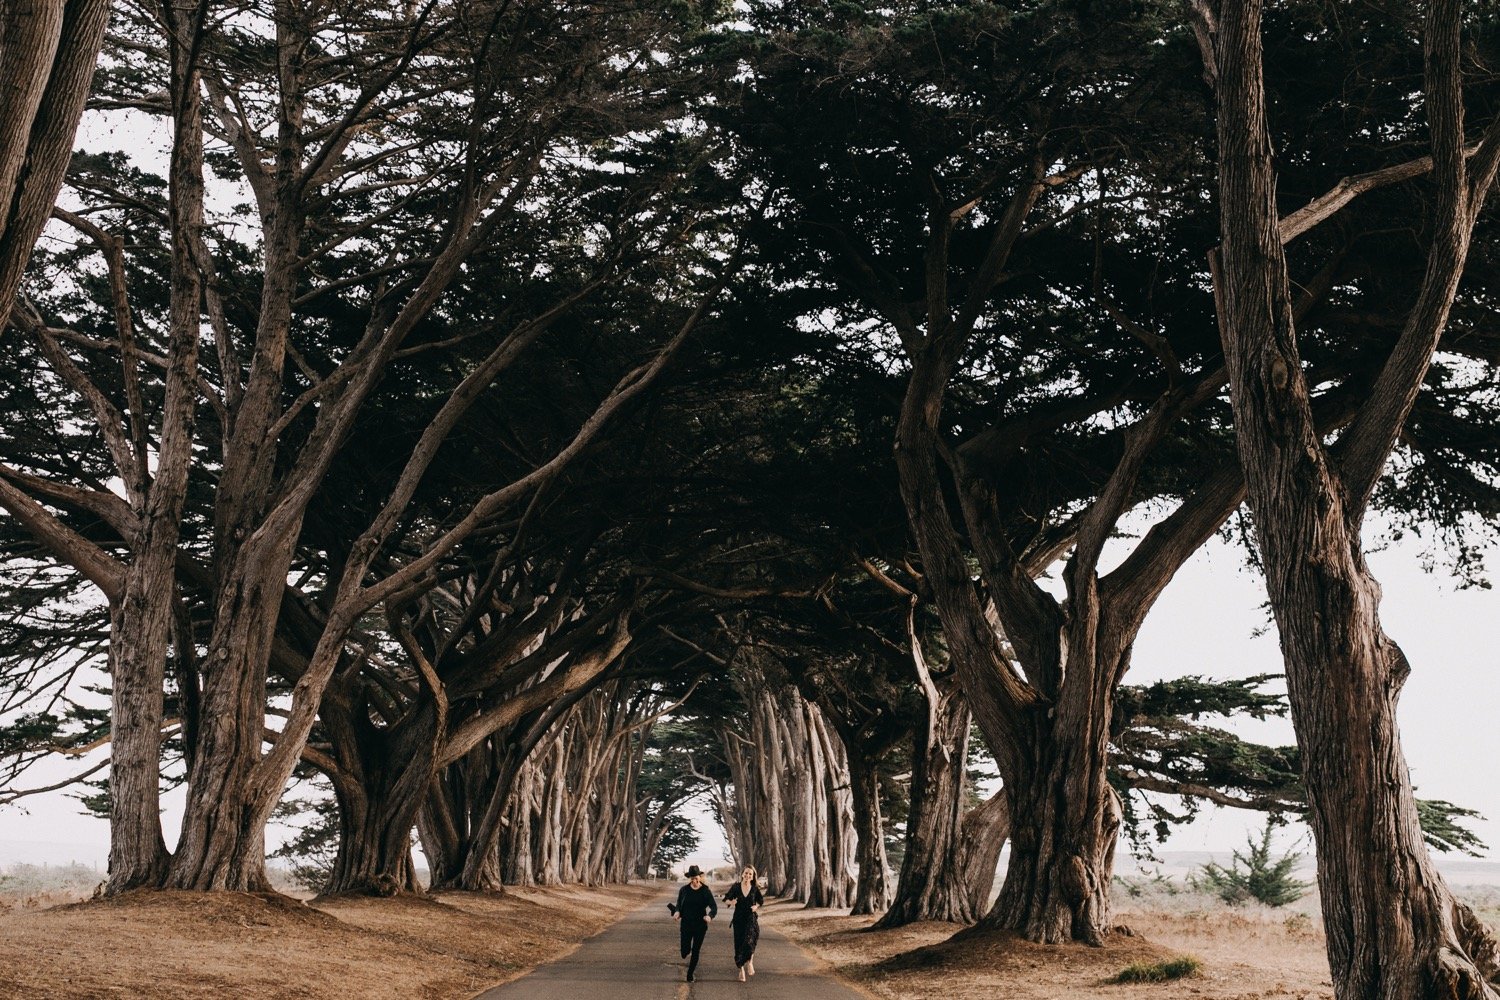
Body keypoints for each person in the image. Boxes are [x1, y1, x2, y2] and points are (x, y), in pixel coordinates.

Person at [672, 864, 717, 981]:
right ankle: (685, 951)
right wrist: (677, 912)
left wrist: (709, 916)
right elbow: (678, 905)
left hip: (700, 926)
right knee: (684, 952)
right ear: (690, 878)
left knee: (696, 950)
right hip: (686, 924)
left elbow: (714, 907)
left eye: (696, 878)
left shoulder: (705, 891)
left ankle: (690, 974)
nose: (695, 881)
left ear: (700, 877)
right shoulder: (684, 890)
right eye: (692, 879)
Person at [722, 864, 764, 982]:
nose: (747, 875)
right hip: (739, 919)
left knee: (750, 940)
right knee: (739, 944)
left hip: (751, 918)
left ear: (753, 876)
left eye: (750, 874)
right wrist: (732, 902)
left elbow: (761, 901)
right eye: (746, 873)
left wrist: (756, 906)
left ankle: (750, 962)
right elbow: (726, 900)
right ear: (742, 874)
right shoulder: (736, 887)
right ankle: (741, 969)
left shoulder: (755, 888)